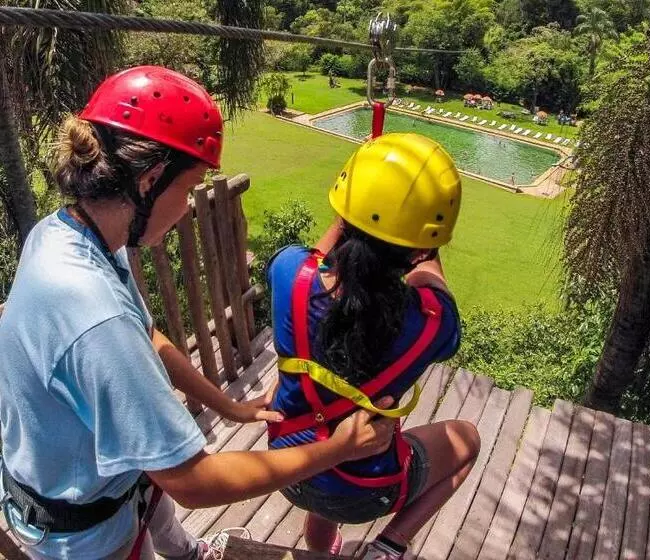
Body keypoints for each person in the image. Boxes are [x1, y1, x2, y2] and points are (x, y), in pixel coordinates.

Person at [0, 66, 396, 560]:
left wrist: (229, 405)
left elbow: (151, 337)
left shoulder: (69, 235)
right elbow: (193, 481)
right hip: (91, 537)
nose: (187, 207)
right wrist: (338, 450)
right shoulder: (94, 318)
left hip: (104, 480)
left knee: (165, 522)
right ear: (148, 180)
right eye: (188, 189)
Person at [266, 133, 481, 560]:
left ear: (343, 210)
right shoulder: (431, 324)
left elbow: (318, 257)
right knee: (467, 440)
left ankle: (322, 552)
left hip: (288, 469)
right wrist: (423, 244)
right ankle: (389, 545)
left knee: (324, 447)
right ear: (424, 245)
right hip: (367, 492)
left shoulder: (289, 272)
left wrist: (362, 195)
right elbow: (431, 285)